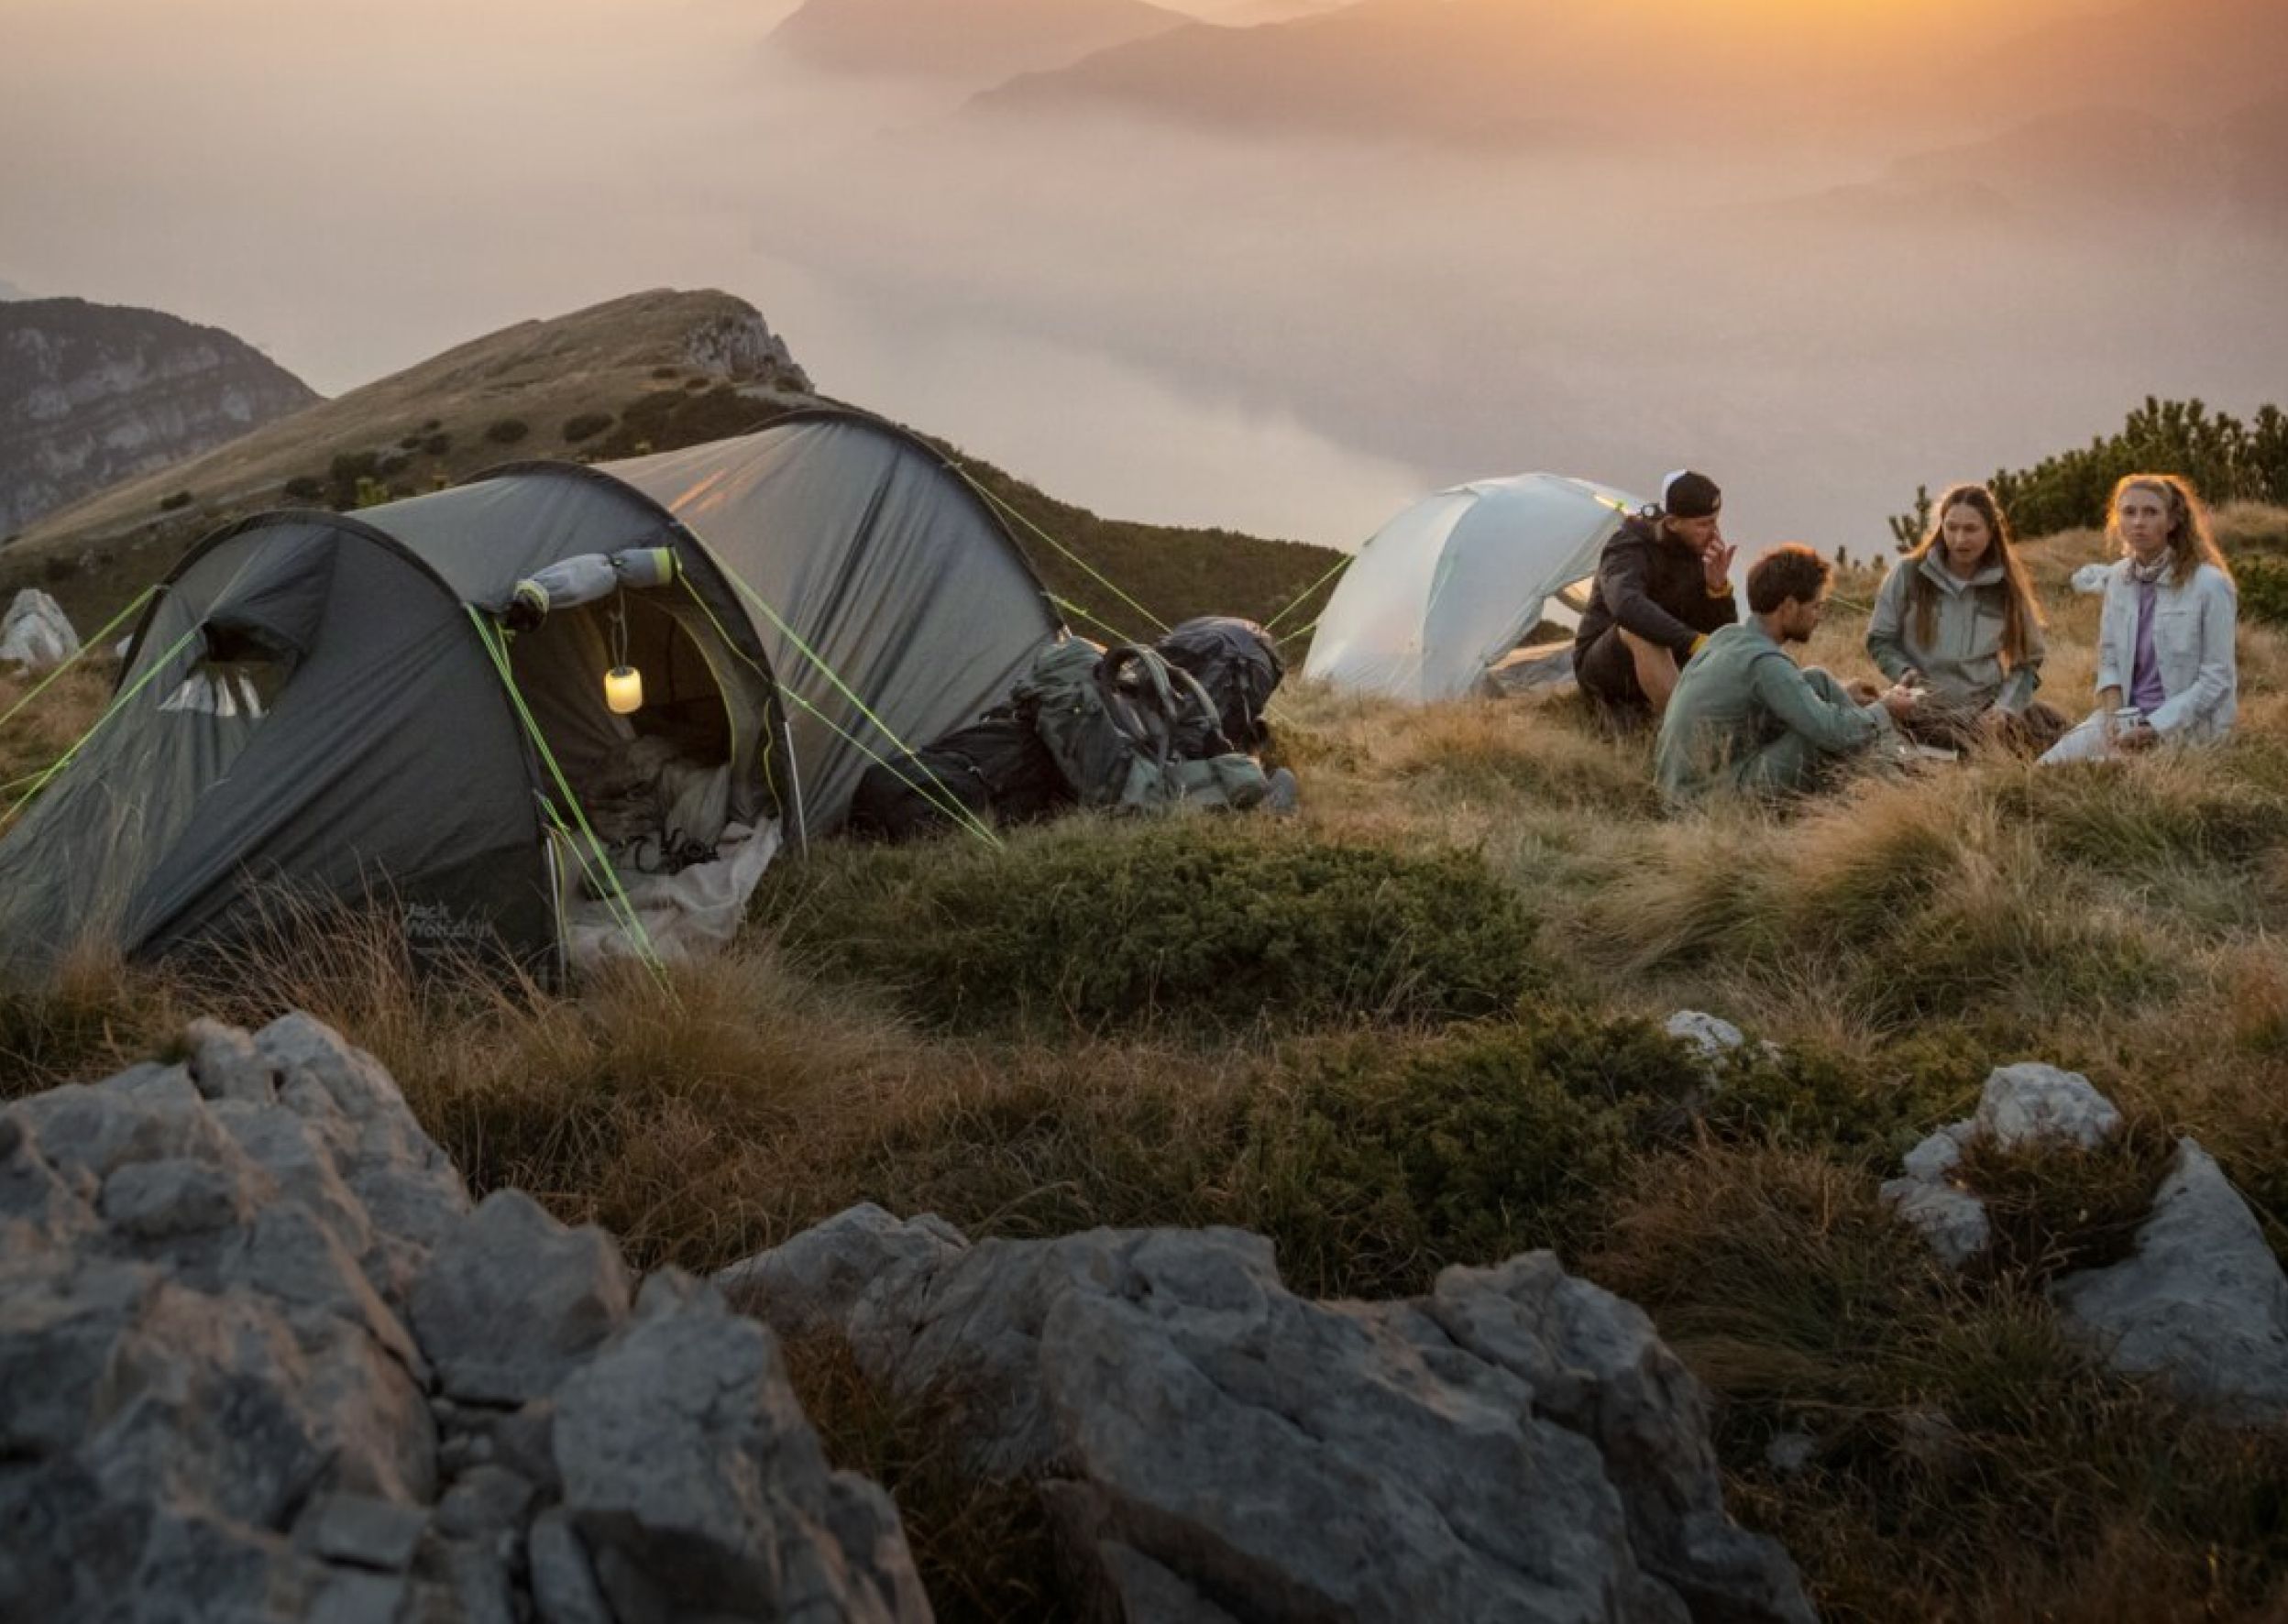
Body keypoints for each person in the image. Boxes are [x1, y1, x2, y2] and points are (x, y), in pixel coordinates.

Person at [1656, 544, 1919, 801]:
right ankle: (1900, 782)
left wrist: (1841, 693)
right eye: (1815, 606)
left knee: (1818, 680)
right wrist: (1885, 709)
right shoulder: (1764, 661)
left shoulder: (1727, 636)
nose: (1819, 616)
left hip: (1684, 785)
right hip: (1703, 798)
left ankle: (1899, 765)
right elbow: (1830, 731)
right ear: (1790, 606)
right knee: (1818, 738)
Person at [2040, 473, 2238, 765]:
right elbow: (2108, 658)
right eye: (2129, 512)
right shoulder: (2119, 578)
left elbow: (2216, 678)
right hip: (2127, 720)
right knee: (2045, 769)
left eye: (2151, 512)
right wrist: (2114, 720)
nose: (2138, 522)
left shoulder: (2209, 584)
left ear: (2172, 521)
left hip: (2187, 729)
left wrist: (2155, 728)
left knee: (2101, 774)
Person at [1865, 483, 2068, 753]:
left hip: (1986, 714)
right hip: (1921, 711)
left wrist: (2004, 709)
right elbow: (1880, 639)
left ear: (1991, 531)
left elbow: (2028, 661)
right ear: (1941, 527)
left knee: (2061, 736)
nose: (1960, 539)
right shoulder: (1907, 573)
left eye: (1971, 529)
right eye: (1951, 527)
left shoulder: (2007, 586)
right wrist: (1904, 673)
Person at [1572, 469, 1740, 729]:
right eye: (1704, 524)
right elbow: (1625, 606)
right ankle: (1687, 734)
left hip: (1672, 655)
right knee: (1640, 629)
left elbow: (1717, 635)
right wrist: (1692, 641)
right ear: (1673, 523)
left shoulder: (1697, 550)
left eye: (1715, 521)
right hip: (1605, 665)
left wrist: (1717, 590)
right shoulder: (1628, 546)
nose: (1714, 532)